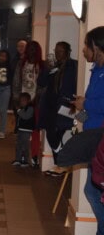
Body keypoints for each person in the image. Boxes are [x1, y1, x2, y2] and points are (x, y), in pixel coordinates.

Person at [73, 26, 104, 235]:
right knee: (92, 191)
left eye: (87, 45)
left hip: (101, 137)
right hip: (92, 134)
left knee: (94, 191)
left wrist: (86, 104)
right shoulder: (97, 70)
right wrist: (81, 110)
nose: (84, 50)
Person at [39, 42, 77, 176]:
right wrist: (46, 69)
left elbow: (77, 85)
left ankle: (62, 164)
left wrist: (74, 102)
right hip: (50, 107)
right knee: (52, 135)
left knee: (55, 134)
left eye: (61, 51)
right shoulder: (53, 67)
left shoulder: (74, 66)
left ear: (68, 52)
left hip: (65, 107)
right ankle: (60, 164)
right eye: (56, 51)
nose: (58, 54)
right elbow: (41, 83)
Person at [20, 41, 45, 167]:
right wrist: (17, 99)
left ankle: (35, 156)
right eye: (29, 49)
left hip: (36, 102)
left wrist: (36, 98)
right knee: (23, 131)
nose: (31, 51)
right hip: (23, 101)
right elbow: (16, 81)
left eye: (34, 49)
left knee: (35, 130)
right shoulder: (22, 63)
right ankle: (22, 157)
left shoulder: (41, 65)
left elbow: (44, 85)